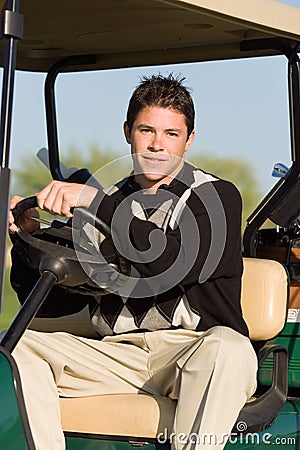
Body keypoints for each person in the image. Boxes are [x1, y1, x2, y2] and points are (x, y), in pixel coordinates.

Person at [8, 74, 257, 450]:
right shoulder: (102, 201)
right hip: (117, 354)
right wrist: (24, 241)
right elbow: (55, 300)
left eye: (171, 134)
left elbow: (168, 263)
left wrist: (95, 203)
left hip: (191, 350)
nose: (158, 145)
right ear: (128, 132)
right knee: (13, 349)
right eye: (147, 130)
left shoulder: (215, 198)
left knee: (229, 348)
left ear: (189, 140)